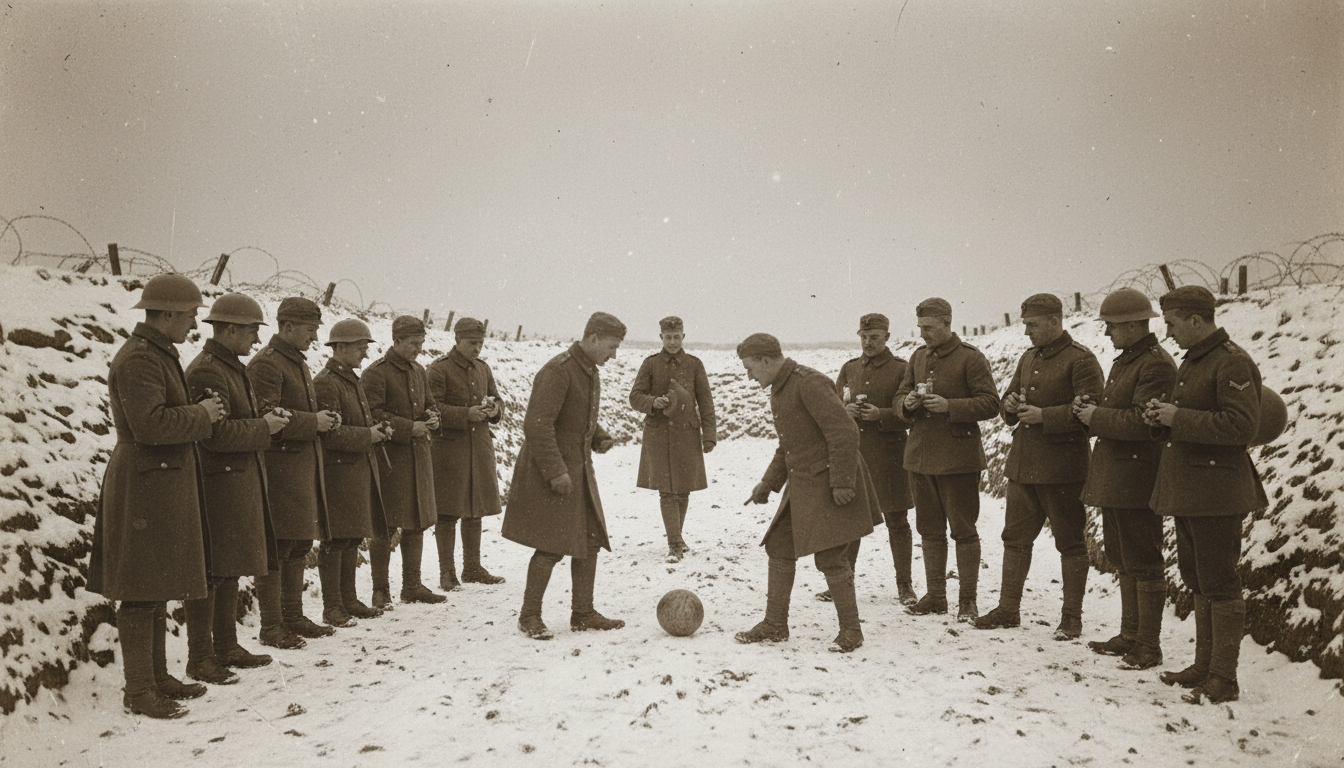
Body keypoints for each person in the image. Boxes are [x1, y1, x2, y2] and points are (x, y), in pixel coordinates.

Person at [87, 273, 225, 719]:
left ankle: (158, 677)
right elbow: (149, 425)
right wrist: (201, 414)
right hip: (145, 483)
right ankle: (139, 690)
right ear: (166, 313)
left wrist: (195, 409)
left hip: (158, 482)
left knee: (157, 583)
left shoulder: (156, 354)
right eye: (189, 315)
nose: (194, 324)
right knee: (140, 589)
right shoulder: (140, 359)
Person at [1145, 285, 1267, 704]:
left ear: (1196, 320)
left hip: (1217, 492)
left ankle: (1223, 678)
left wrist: (1178, 417)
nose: (1168, 333)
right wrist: (1162, 418)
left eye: (1173, 324)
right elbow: (1195, 417)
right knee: (1198, 578)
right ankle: (1204, 666)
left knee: (1219, 581)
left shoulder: (1232, 361)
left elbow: (1241, 426)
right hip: (1193, 491)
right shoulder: (1196, 359)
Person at [737, 333, 878, 653]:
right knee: (779, 545)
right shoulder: (781, 388)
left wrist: (843, 482)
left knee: (831, 557)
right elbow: (789, 445)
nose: (749, 376)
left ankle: (851, 631)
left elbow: (844, 432)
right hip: (802, 484)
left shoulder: (809, 383)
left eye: (750, 368)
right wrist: (768, 483)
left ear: (765, 360)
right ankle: (775, 625)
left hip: (829, 482)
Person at [975, 293, 1104, 640]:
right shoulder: (1028, 356)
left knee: (1070, 542)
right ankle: (1008, 609)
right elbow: (1006, 402)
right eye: (1025, 324)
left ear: (1054, 321)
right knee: (1014, 539)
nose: (1027, 332)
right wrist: (1010, 406)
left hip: (1063, 469)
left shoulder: (1081, 360)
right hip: (1023, 467)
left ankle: (1071, 618)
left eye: (1032, 325)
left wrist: (1045, 415)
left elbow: (1092, 413)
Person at [184, 293, 290, 686]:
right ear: (229, 329)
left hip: (235, 481)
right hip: (218, 484)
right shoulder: (208, 371)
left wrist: (265, 418)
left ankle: (226, 646)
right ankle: (200, 657)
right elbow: (214, 434)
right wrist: (264, 427)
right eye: (250, 331)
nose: (256, 340)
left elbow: (234, 419)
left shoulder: (229, 367)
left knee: (228, 570)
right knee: (213, 572)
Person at [502, 312, 627, 640]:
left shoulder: (588, 370)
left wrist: (598, 436)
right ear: (594, 338)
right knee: (551, 545)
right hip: (553, 471)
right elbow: (537, 425)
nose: (614, 355)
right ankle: (529, 616)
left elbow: (575, 415)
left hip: (579, 468)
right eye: (611, 347)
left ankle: (583, 613)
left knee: (589, 540)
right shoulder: (558, 370)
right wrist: (556, 472)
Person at [1073, 288, 1176, 670]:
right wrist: (1091, 409)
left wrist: (1095, 417)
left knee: (1143, 559)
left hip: (1137, 477)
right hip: (1119, 477)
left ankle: (1148, 645)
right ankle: (1130, 635)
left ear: (1134, 325)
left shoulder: (1155, 366)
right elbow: (1118, 410)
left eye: (1112, 326)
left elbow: (1143, 422)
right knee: (1124, 556)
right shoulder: (1129, 361)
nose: (1107, 333)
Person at [894, 298, 1001, 622]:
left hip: (958, 460)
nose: (922, 333)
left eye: (928, 327)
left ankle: (967, 601)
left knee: (963, 530)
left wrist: (950, 406)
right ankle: (936, 596)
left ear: (946, 323)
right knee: (929, 530)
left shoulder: (971, 357)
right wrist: (907, 403)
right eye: (920, 327)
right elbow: (900, 395)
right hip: (921, 457)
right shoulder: (917, 357)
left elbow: (990, 403)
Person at [246, 296, 341, 646]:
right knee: (279, 547)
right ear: (287, 327)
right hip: (279, 471)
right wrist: (313, 422)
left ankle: (293, 616)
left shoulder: (293, 361)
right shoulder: (267, 364)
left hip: (300, 469)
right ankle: (272, 625)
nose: (314, 337)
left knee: (299, 544)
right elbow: (266, 414)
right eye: (309, 330)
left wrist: (323, 420)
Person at [828, 312, 915, 604]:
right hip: (857, 456)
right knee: (850, 521)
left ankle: (905, 585)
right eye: (864, 337)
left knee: (897, 520)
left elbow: (911, 414)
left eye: (874, 337)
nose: (868, 343)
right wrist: (845, 411)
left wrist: (882, 415)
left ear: (887, 337)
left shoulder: (902, 369)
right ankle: (842, 583)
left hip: (891, 456)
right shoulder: (849, 368)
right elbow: (833, 407)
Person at [313, 319, 393, 625]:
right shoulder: (326, 383)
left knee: (351, 538)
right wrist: (367, 435)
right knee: (335, 540)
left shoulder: (350, 379)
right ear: (341, 347)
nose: (365, 353)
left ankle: (348, 600)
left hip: (355, 471)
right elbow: (329, 432)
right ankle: (332, 606)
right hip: (338, 474)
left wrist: (376, 429)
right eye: (360, 347)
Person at [361, 315, 445, 605]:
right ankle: (380, 590)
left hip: (418, 458)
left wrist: (433, 417)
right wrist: (409, 428)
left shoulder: (419, 370)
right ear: (396, 341)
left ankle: (412, 586)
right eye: (413, 344)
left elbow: (430, 404)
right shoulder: (376, 373)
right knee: (384, 524)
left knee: (417, 522)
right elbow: (371, 414)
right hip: (389, 460)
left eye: (421, 343)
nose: (419, 349)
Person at [629, 316, 717, 563]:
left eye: (676, 337)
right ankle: (674, 543)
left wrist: (709, 435)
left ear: (683, 337)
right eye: (668, 337)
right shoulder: (650, 364)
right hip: (659, 435)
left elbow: (706, 402)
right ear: (661, 338)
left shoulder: (695, 364)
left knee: (684, 489)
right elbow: (635, 397)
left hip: (687, 434)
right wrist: (652, 402)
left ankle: (677, 537)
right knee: (667, 491)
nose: (672, 342)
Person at [428, 317, 507, 590]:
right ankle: (447, 572)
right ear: (457, 340)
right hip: (449, 451)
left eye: (480, 343)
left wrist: (495, 410)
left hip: (479, 448)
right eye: (472, 343)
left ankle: (472, 568)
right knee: (447, 512)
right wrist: (465, 414)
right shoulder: (439, 369)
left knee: (475, 509)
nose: (477, 348)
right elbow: (432, 408)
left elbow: (497, 398)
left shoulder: (482, 368)